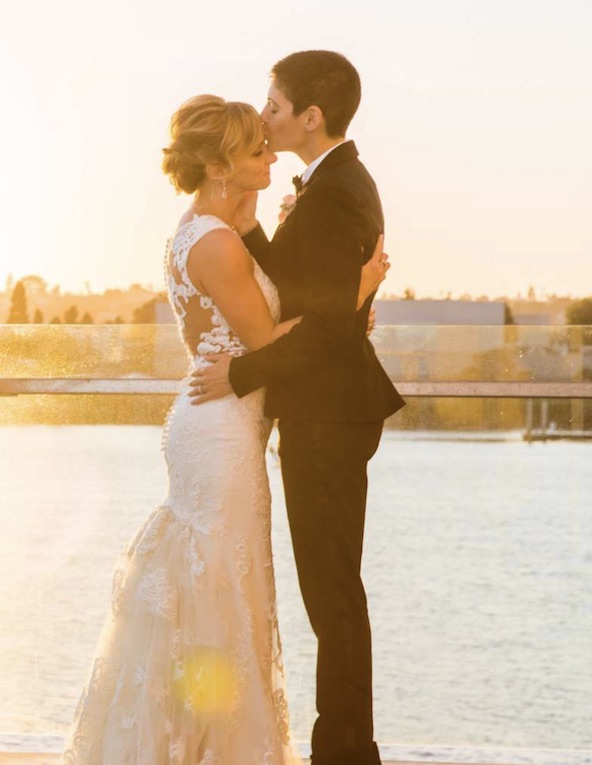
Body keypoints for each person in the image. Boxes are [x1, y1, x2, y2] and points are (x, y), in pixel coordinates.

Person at [61, 93, 388, 764]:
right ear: (217, 165)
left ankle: (202, 743)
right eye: (254, 149)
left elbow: (275, 314)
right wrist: (351, 300)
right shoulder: (211, 243)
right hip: (219, 432)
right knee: (219, 590)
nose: (269, 152)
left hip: (223, 427)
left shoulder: (214, 228)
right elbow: (270, 339)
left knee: (223, 588)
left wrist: (278, 238)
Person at [191, 50, 405, 765]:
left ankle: (345, 753)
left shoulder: (339, 189)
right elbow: (309, 297)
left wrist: (242, 372)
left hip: (329, 414)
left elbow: (322, 329)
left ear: (311, 117)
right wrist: (258, 226)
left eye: (276, 107)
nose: (267, 117)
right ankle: (345, 747)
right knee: (330, 586)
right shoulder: (328, 186)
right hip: (326, 412)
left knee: (332, 589)